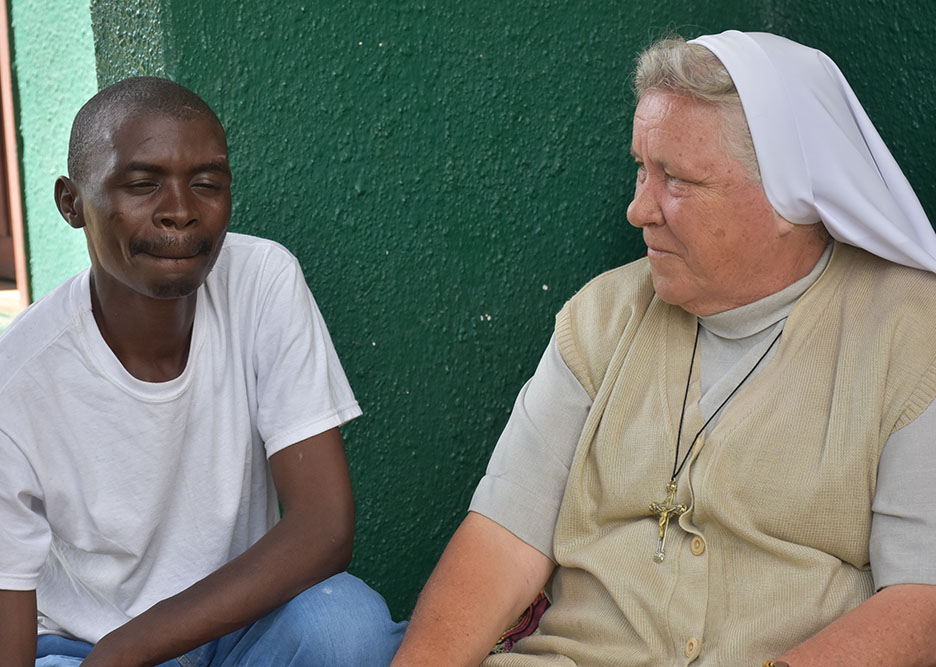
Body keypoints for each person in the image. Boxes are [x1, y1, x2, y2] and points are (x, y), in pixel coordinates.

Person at [392, 30, 936, 666]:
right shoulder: (599, 319)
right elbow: (501, 541)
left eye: (675, 179)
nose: (637, 209)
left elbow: (920, 600)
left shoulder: (909, 334)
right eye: (640, 169)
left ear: (790, 194)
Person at [0, 77, 405, 666]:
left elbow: (324, 526)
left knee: (347, 627)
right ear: (71, 203)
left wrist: (127, 651)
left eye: (207, 183)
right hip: (79, 646)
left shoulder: (263, 283)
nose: (180, 212)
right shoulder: (3, 399)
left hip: (236, 629)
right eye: (141, 185)